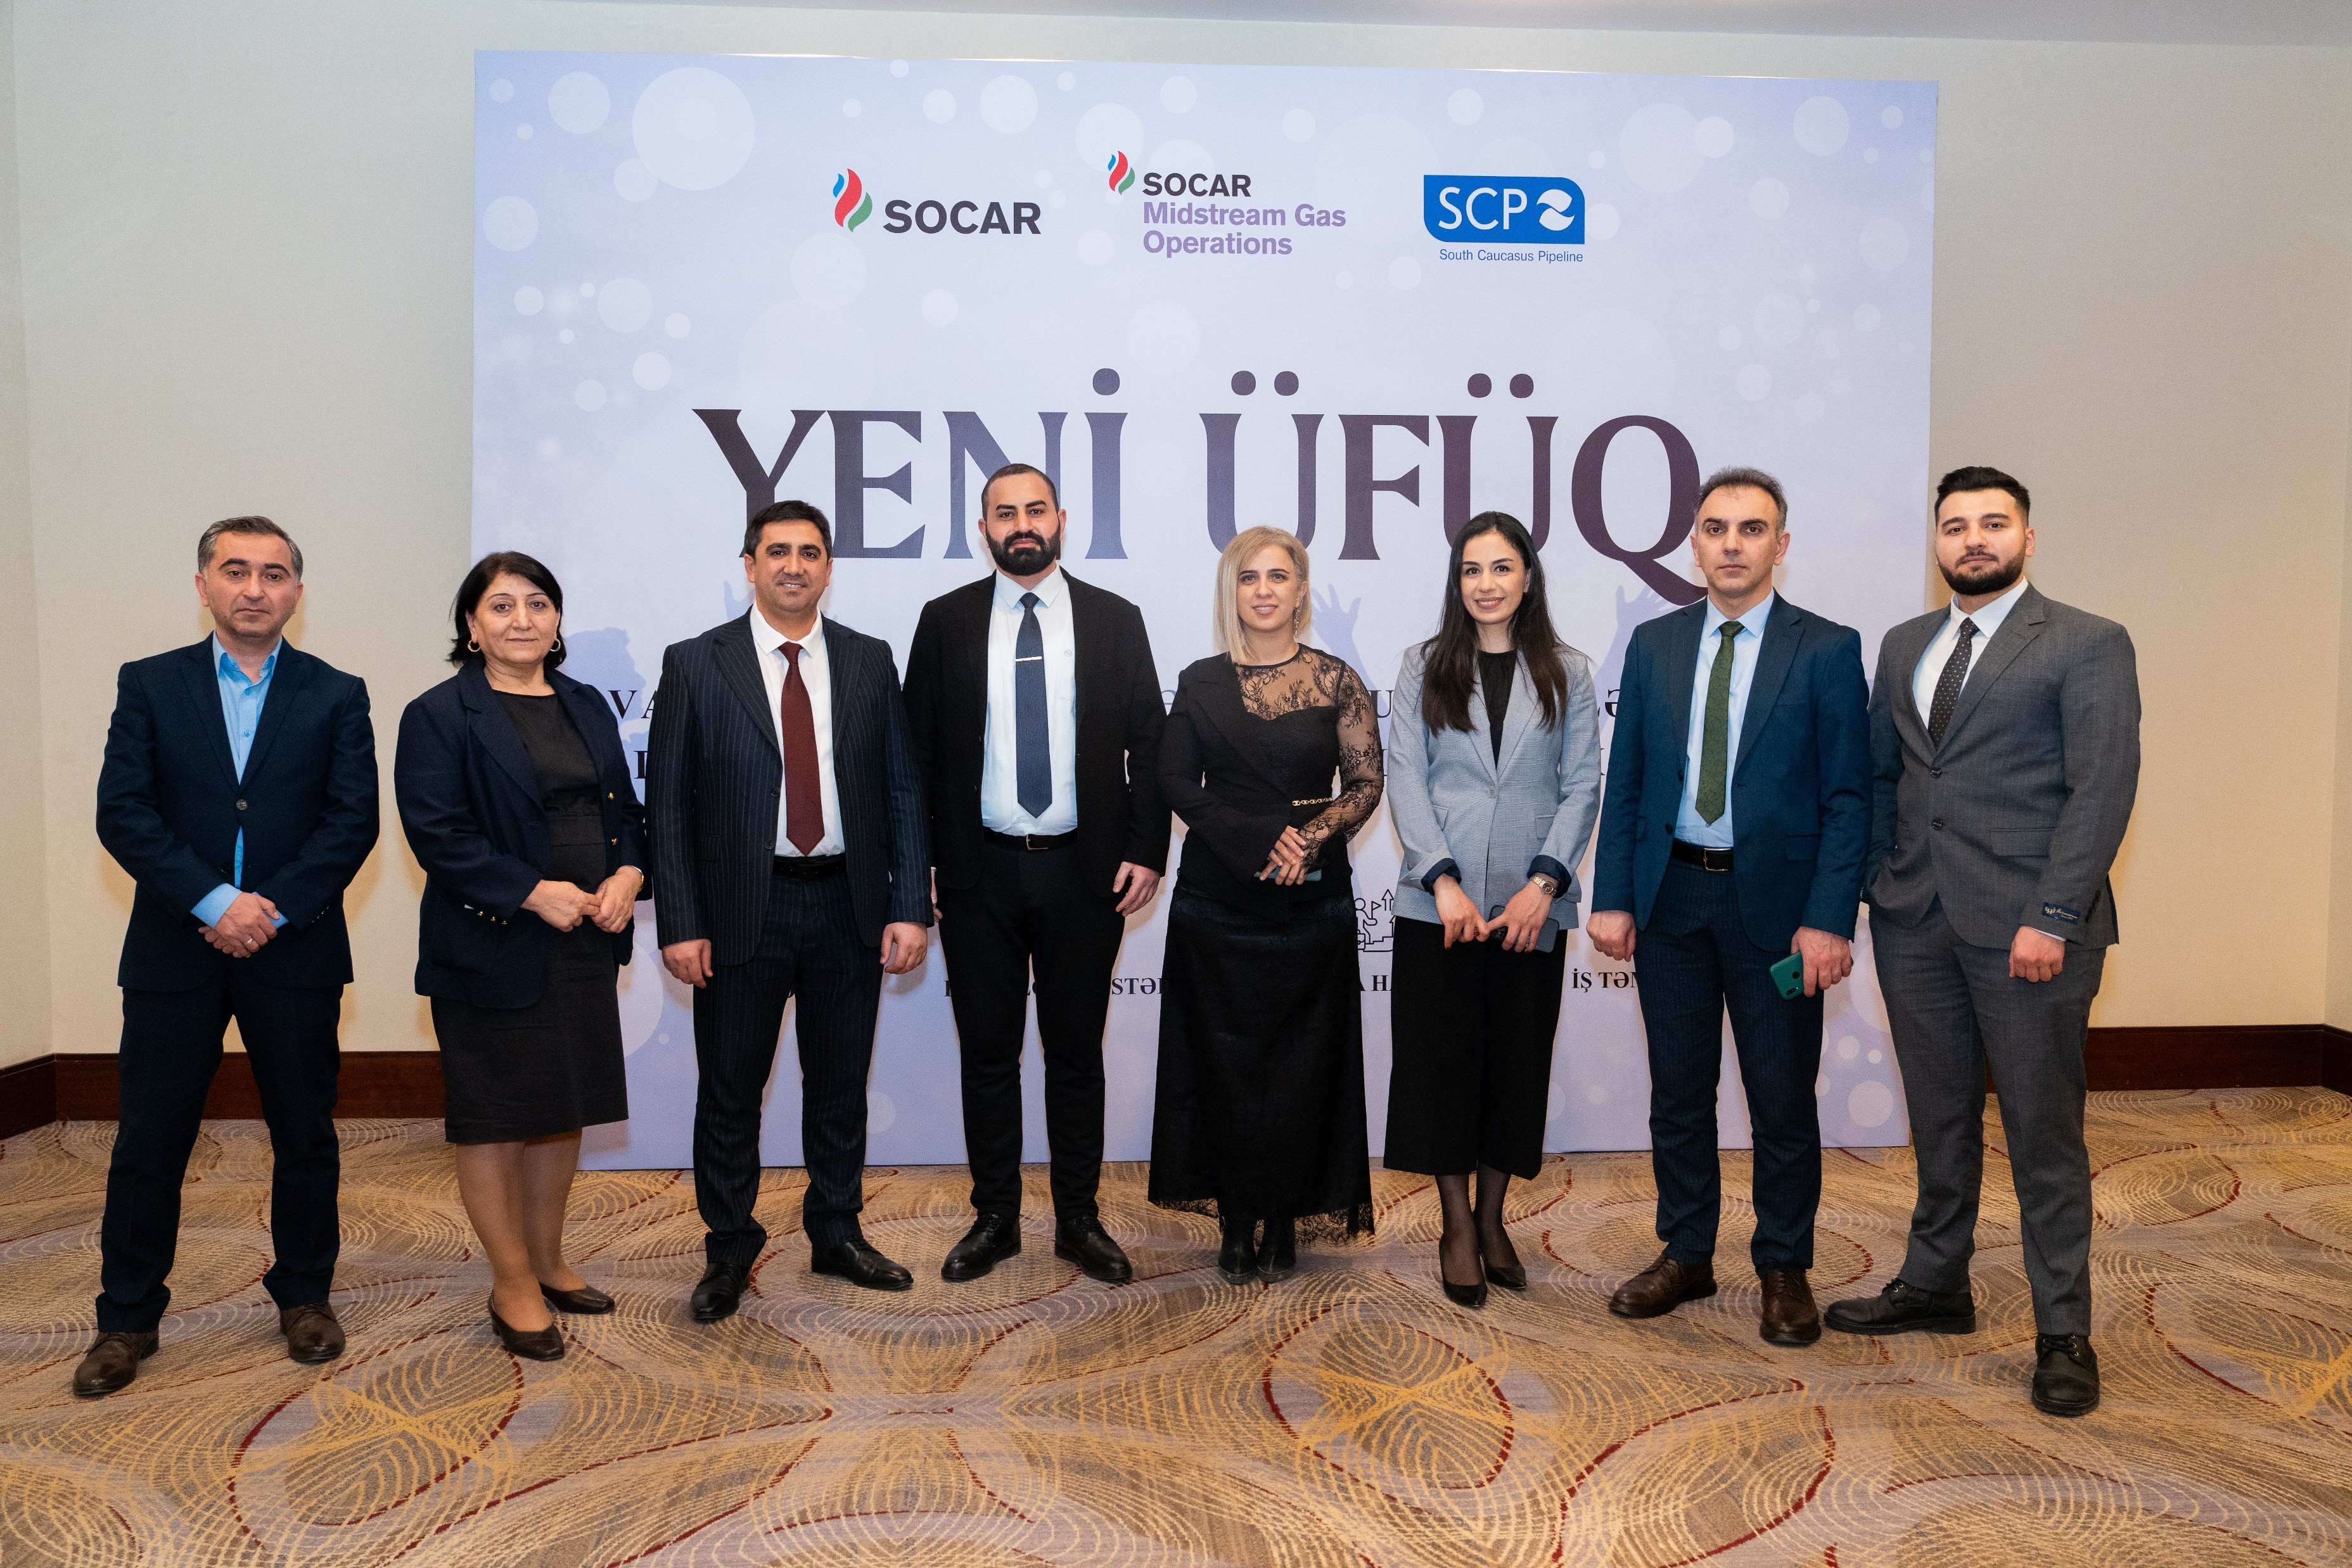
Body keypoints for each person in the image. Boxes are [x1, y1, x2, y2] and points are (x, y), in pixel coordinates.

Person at [1825, 466, 2139, 1418]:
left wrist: (2054, 916)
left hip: (2029, 932)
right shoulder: (1905, 644)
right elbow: (1884, 775)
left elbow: (2102, 788)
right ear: (1937, 543)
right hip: (1915, 920)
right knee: (1940, 1117)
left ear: (2027, 539)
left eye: (1993, 524)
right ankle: (1935, 1281)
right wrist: (1878, 881)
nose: (1973, 540)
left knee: (2043, 1134)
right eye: (1955, 526)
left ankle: (2063, 1330)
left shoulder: (2087, 641)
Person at [79, 516, 379, 1397]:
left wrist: (267, 909)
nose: (255, 588)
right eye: (236, 570)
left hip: (295, 949)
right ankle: (127, 1316)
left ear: (297, 592)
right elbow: (124, 811)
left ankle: (306, 1294)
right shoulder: (149, 683)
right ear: (203, 584)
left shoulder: (337, 692)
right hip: (176, 947)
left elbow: (351, 821)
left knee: (304, 1133)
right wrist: (216, 902)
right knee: (150, 1138)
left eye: (274, 573)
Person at [1586, 468, 1870, 1346]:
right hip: (1671, 898)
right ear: (1695, 544)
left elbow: (1849, 799)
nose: (1732, 544)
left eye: (1751, 529)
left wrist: (1829, 918)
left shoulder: (1826, 648)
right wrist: (1613, 896)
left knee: (1781, 1099)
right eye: (1716, 528)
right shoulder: (1656, 644)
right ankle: (1687, 1251)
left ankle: (1784, 1264)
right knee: (1678, 1092)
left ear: (1780, 545)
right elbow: (1628, 781)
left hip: (1779, 912)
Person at [646, 499, 931, 1318]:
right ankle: (729, 1247)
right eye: (778, 551)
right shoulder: (696, 662)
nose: (794, 566)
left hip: (848, 903)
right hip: (743, 909)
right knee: (731, 1090)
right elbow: (668, 804)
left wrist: (909, 903)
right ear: (750, 565)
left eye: (810, 552)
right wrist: (681, 921)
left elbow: (903, 789)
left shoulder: (870, 660)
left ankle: (837, 1231)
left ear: (829, 568)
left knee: (839, 1084)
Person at [903, 463, 1170, 1285]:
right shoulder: (944, 620)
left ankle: (1078, 1219)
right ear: (983, 527)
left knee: (1075, 1055)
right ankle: (995, 1218)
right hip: (976, 873)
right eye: (1004, 512)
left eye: (1035, 510)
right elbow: (914, 755)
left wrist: (1147, 848)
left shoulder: (1114, 619)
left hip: (1083, 874)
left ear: (1061, 519)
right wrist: (920, 866)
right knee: (988, 1056)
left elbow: (1150, 745)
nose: (1022, 524)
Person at [393, 552, 647, 1361]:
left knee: (560, 1108)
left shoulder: (584, 703)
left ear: (558, 619)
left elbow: (623, 812)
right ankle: (511, 1283)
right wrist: (532, 892)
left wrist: (630, 874)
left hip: (583, 941)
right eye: (501, 606)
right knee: (497, 1118)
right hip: (492, 942)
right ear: (471, 625)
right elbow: (439, 834)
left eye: (537, 603)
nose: (521, 620)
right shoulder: (439, 714)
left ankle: (548, 1261)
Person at [1149, 525, 1383, 1284]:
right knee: (1221, 1065)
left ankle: (1283, 1216)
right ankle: (1235, 1217)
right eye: (1249, 577)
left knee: (1302, 1067)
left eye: (1278, 576)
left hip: (1311, 906)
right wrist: (1259, 841)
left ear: (1301, 591)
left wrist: (1305, 841)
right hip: (1217, 904)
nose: (1263, 591)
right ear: (1232, 590)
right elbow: (1176, 782)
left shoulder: (1338, 680)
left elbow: (1365, 784)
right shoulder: (1199, 681)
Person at [1384, 512, 1602, 1309]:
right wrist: (1440, 879)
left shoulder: (1569, 671)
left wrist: (1543, 886)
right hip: (1437, 907)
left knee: (1515, 1064)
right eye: (1471, 570)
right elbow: (1406, 775)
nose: (1486, 584)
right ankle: (1455, 1224)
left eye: (1501, 568)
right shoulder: (1423, 665)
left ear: (1527, 577)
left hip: (1528, 909)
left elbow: (1582, 784)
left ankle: (1492, 1216)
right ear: (1457, 582)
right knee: (1442, 1067)